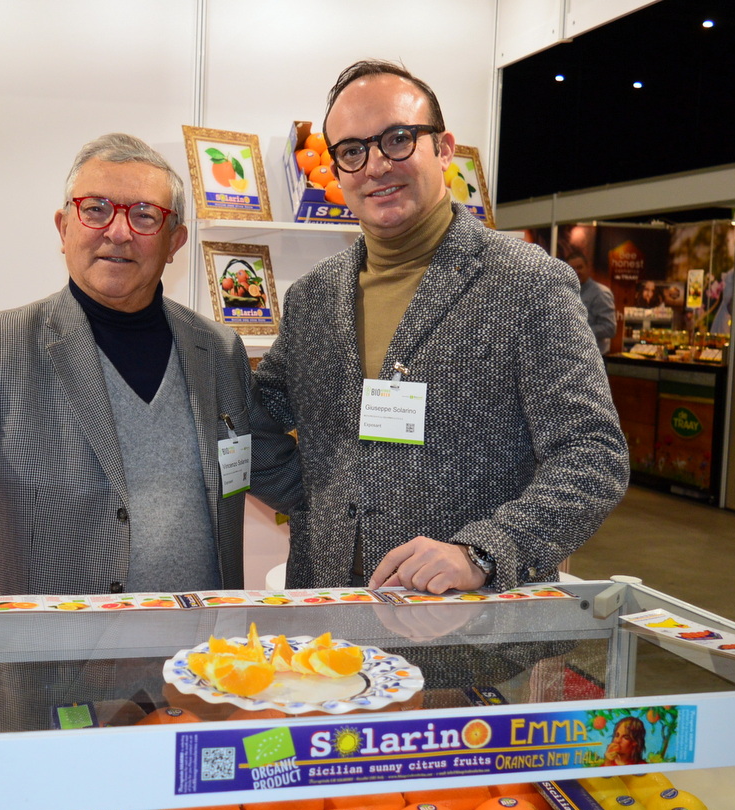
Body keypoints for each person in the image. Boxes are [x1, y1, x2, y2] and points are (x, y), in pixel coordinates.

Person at [0, 133, 302, 676]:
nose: (118, 231)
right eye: (96, 209)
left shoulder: (217, 350)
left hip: (204, 672)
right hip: (55, 676)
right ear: (64, 227)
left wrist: (374, 518)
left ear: (174, 240)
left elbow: (270, 465)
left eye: (144, 216)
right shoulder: (0, 347)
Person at [255, 59, 628, 601]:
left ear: (444, 149)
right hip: (327, 607)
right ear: (336, 170)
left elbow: (592, 454)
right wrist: (319, 498)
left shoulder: (528, 282)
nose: (375, 165)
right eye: (352, 151)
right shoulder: (314, 295)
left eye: (398, 139)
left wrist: (483, 552)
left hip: (468, 619)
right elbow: (258, 416)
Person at [565, 250, 617, 354]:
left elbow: (609, 328)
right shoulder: (565, 293)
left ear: (588, 268)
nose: (576, 272)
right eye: (572, 269)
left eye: (579, 267)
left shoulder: (601, 293)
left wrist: (579, 332)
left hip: (592, 358)